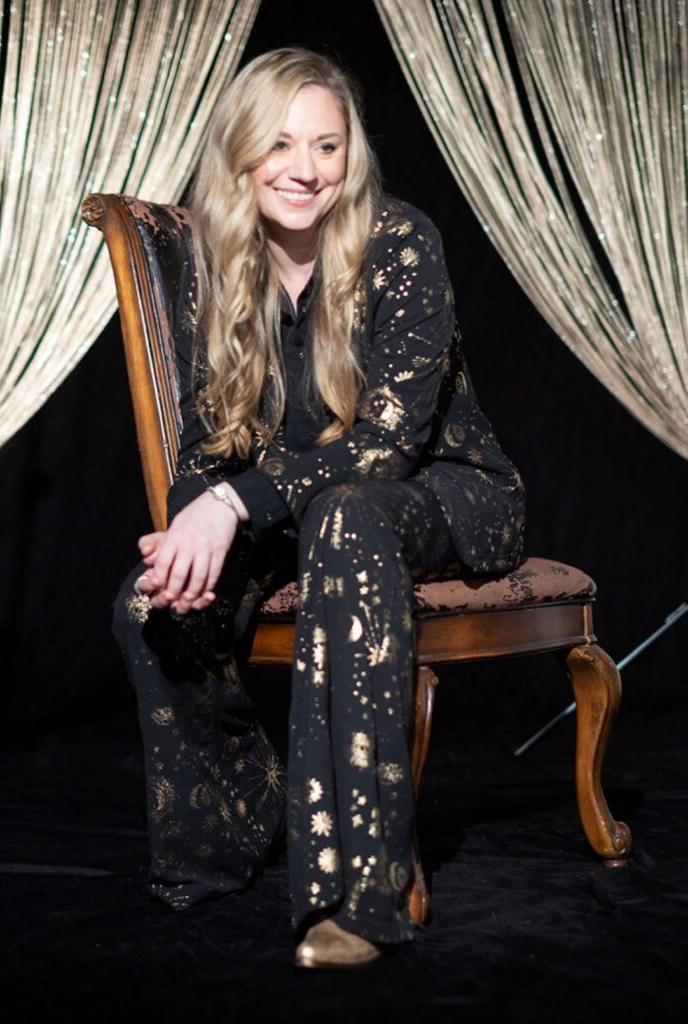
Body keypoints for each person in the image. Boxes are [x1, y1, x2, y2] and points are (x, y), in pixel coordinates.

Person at [112, 47, 524, 969]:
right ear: (241, 153)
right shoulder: (219, 263)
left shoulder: (399, 240)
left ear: (351, 155)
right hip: (305, 509)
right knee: (147, 601)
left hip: (443, 491)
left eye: (326, 146)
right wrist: (197, 516)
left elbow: (388, 443)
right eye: (279, 144)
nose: (304, 168)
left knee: (348, 513)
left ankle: (365, 894)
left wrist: (233, 502)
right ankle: (232, 826)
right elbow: (208, 443)